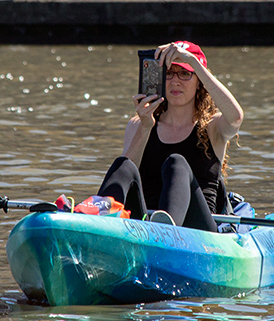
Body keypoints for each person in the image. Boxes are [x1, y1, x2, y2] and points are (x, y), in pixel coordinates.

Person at [95, 41, 243, 231]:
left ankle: (166, 228)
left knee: (176, 163)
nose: (175, 81)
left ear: (199, 82)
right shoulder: (139, 124)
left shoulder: (213, 127)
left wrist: (193, 61)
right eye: (169, 73)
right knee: (123, 165)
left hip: (199, 231)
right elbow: (127, 178)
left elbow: (236, 117)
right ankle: (98, 219)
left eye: (185, 73)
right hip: (145, 227)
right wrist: (145, 127)